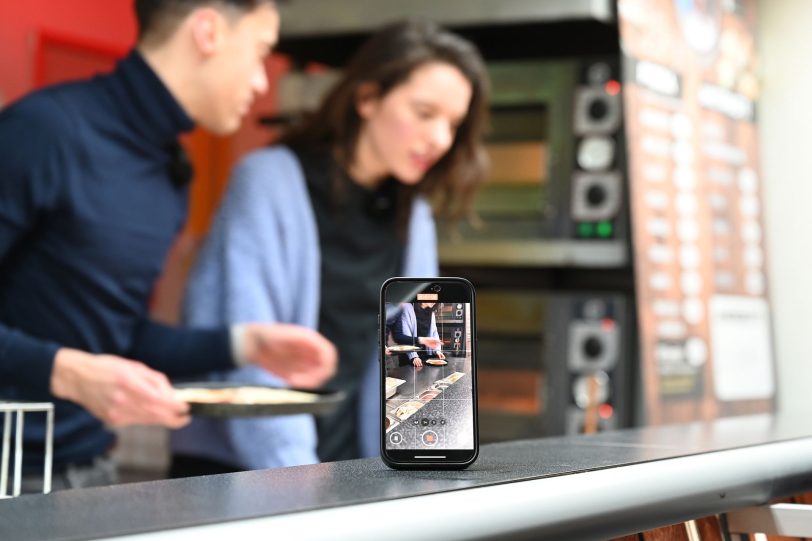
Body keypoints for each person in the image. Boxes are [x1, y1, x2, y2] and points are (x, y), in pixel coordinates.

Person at [0, 0, 336, 491]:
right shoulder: (44, 131)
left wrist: (248, 344)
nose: (263, 83)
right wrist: (66, 373)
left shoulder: (170, 171)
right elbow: (79, 359)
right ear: (208, 32)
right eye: (261, 52)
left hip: (89, 474)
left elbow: (114, 336)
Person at [171, 18, 490, 474]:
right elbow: (254, 366)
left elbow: (423, 375)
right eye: (424, 113)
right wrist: (303, 492)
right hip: (243, 477)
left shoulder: (413, 217)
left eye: (454, 124)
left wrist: (422, 483)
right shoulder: (267, 181)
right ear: (367, 98)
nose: (440, 138)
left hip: (345, 481)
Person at [393, 302, 445, 367]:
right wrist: (413, 356)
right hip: (409, 356)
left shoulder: (431, 312)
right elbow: (405, 333)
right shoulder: (407, 307)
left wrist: (437, 350)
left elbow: (434, 333)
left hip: (425, 355)